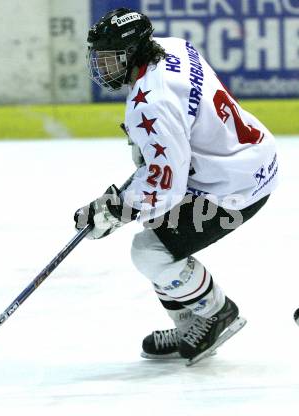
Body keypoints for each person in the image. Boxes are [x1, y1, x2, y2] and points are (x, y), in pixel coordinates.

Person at [74, 8, 278, 363]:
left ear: (136, 50)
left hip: (235, 186)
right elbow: (181, 130)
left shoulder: (151, 103)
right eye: (100, 60)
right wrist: (154, 150)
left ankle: (216, 313)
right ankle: (191, 325)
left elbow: (165, 186)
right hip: (247, 157)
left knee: (150, 251)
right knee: (160, 241)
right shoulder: (173, 47)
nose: (103, 69)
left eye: (112, 59)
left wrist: (115, 210)